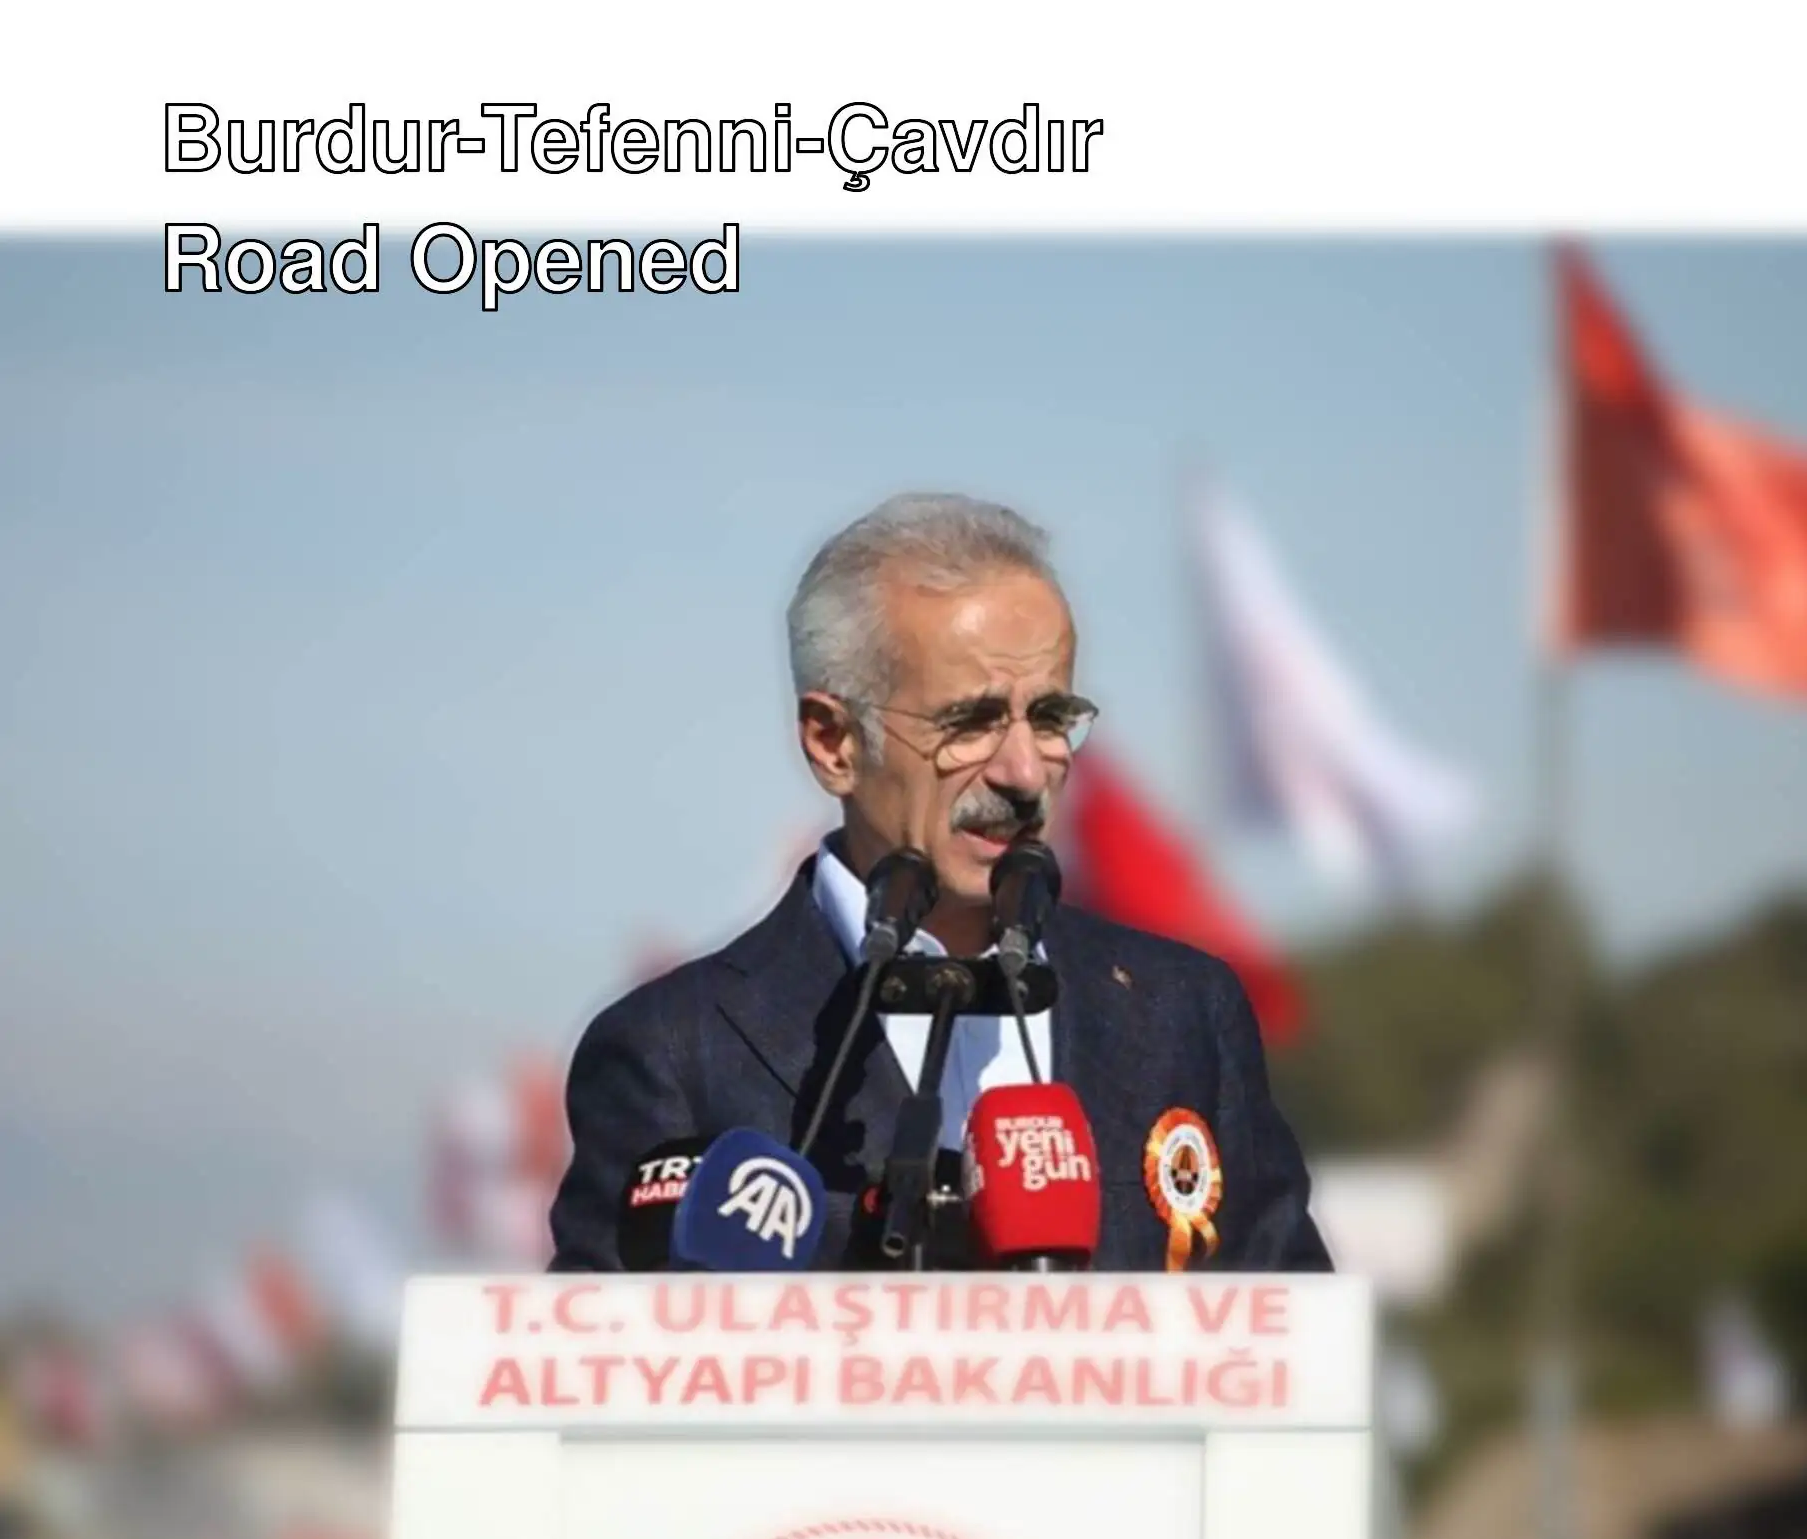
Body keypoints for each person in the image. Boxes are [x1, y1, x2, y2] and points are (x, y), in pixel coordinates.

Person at [549, 492, 1329, 1274]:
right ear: (833, 743)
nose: (1025, 773)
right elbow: (598, 1373)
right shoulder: (674, 1051)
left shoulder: (1182, 1014)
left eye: (1052, 717)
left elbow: (1305, 1350)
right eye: (970, 723)